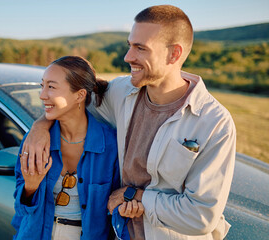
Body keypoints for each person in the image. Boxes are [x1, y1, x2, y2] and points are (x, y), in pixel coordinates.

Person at [20, 5, 236, 240]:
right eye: (130, 45)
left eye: (140, 48)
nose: (128, 57)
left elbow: (201, 216)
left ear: (174, 54)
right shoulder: (121, 93)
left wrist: (136, 195)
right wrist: (39, 127)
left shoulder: (214, 123)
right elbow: (70, 103)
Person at [11, 56, 138, 240]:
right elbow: (21, 208)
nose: (42, 95)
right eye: (43, 85)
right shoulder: (34, 141)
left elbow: (115, 210)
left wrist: (128, 206)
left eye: (51, 87)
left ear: (79, 95)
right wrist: (30, 186)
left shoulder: (110, 145)